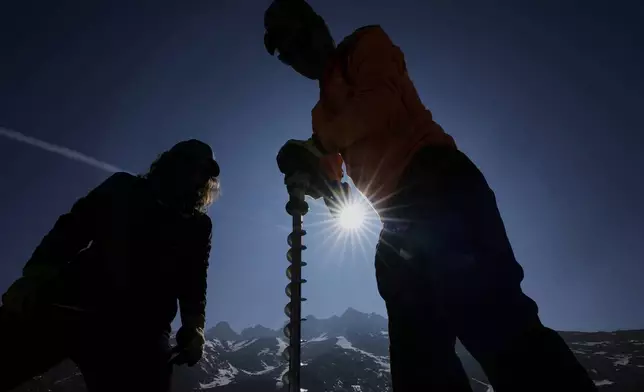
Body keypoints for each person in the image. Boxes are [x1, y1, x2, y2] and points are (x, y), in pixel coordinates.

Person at [264, 1, 598, 391]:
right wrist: (311, 175)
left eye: (298, 36)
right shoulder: (321, 114)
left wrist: (314, 146)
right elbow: (335, 181)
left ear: (319, 25)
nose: (296, 53)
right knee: (417, 356)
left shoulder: (365, 46)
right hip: (397, 220)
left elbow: (381, 104)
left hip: (441, 182)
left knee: (490, 316)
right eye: (285, 51)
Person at [0, 139, 220, 392]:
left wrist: (194, 328)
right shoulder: (122, 188)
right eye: (190, 165)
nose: (196, 175)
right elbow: (70, 231)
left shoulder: (198, 227)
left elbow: (193, 280)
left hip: (141, 330)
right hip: (72, 304)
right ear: (170, 164)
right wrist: (33, 278)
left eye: (203, 171)